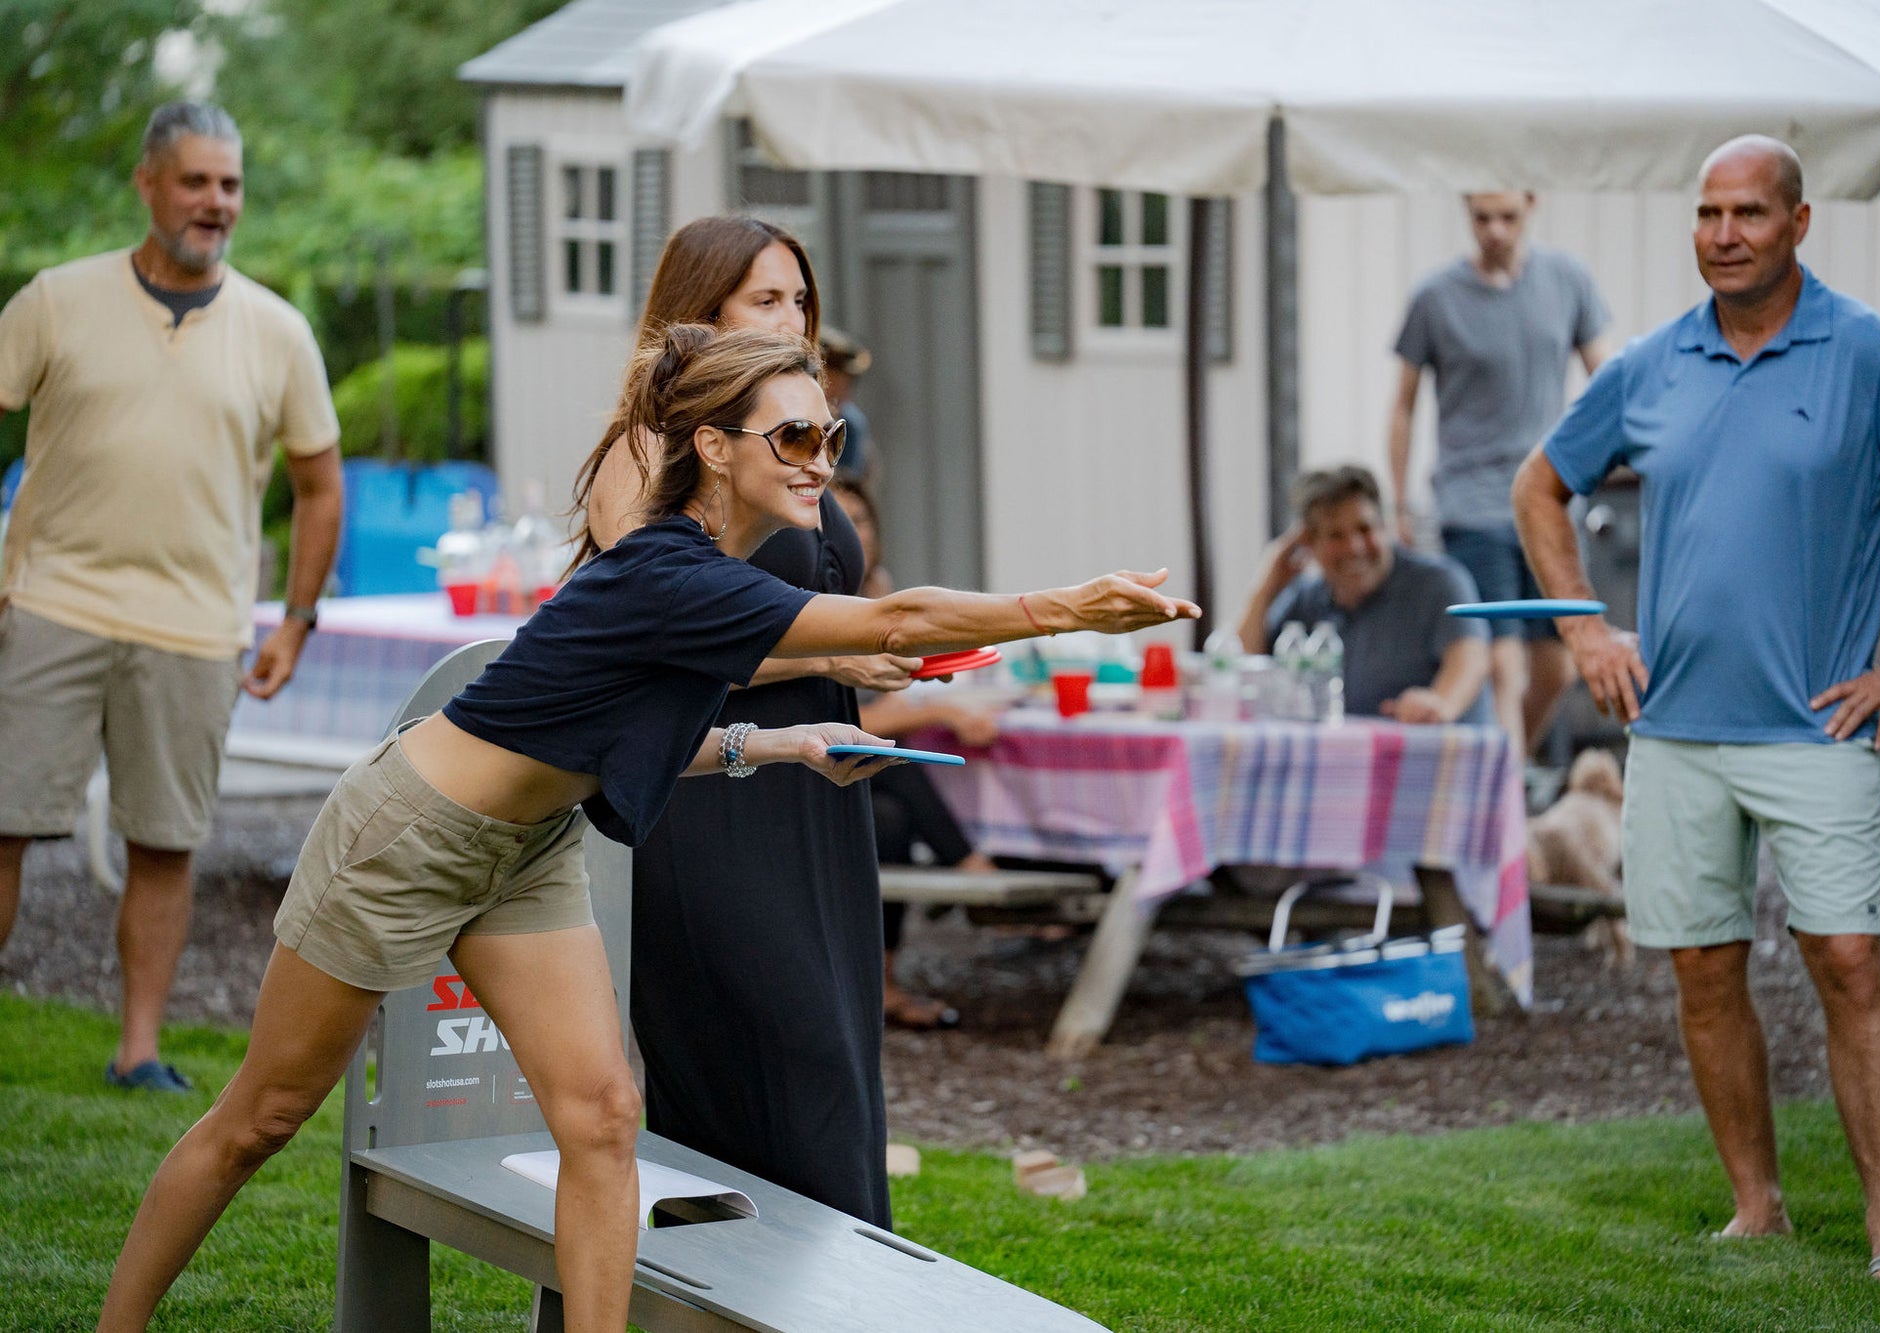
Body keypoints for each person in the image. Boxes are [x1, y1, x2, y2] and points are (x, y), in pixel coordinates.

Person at [98, 323, 1201, 1332]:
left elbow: (614, 733)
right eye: (796, 433)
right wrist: (1065, 606)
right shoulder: (668, 569)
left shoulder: (702, 581)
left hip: (525, 850)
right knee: (262, 1116)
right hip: (410, 836)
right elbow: (902, 618)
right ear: (715, 449)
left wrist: (780, 739)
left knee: (602, 1115)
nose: (821, 454)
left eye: (832, 431)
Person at [1513, 136, 1880, 1284]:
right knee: (1700, 968)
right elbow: (1539, 482)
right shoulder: (1651, 362)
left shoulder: (1872, 356)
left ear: (1796, 224)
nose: (1722, 234)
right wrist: (1581, 627)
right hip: (1672, 728)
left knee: (1845, 959)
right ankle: (1756, 1207)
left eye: (1747, 214)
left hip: (1814, 726)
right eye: (1705, 214)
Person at [577, 215, 922, 1228]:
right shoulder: (643, 453)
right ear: (701, 315)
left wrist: (889, 652)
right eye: (766, 300)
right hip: (708, 800)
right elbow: (656, 640)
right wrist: (832, 653)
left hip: (818, 804)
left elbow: (821, 601)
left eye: (801, 299)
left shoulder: (794, 445)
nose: (797, 320)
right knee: (772, 1075)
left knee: (835, 1077)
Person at [0, 102, 342, 1093]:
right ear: (148, 184)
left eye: (229, 185)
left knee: (167, 841)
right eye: (194, 181)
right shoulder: (56, 302)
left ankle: (138, 1051)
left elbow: (320, 484)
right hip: (52, 603)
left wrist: (296, 618)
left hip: (196, 629)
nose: (214, 203)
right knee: (6, 822)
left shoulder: (279, 331)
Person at [1388, 190, 1613, 755]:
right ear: (1466, 210)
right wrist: (1398, 500)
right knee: (1502, 667)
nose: (1494, 230)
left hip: (1550, 502)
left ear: (1532, 206)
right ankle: (1508, 809)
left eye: (1507, 217)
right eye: (1482, 218)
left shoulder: (1567, 281)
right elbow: (1403, 406)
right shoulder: (1435, 298)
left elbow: (1606, 381)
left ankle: (1505, 779)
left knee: (1557, 668)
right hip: (1472, 505)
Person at [835, 475, 1002, 1030]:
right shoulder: (816, 598)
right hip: (796, 754)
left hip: (858, 769)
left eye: (860, 520)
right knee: (899, 752)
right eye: (837, 517)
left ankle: (881, 985)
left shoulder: (877, 589)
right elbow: (858, 718)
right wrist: (942, 711)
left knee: (890, 817)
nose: (850, 530)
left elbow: (888, 698)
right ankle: (971, 868)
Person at [1236, 466, 1493, 726]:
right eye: (1336, 535)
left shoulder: (1440, 581)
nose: (1355, 547)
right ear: (1310, 544)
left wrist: (1439, 703)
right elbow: (1244, 665)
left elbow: (1470, 659)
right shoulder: (1307, 597)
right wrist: (1266, 586)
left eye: (1364, 528)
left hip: (1436, 753)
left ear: (1385, 526)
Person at [820, 325, 876, 483]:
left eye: (846, 386)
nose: (838, 395)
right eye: (832, 384)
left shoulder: (851, 425)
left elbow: (851, 482)